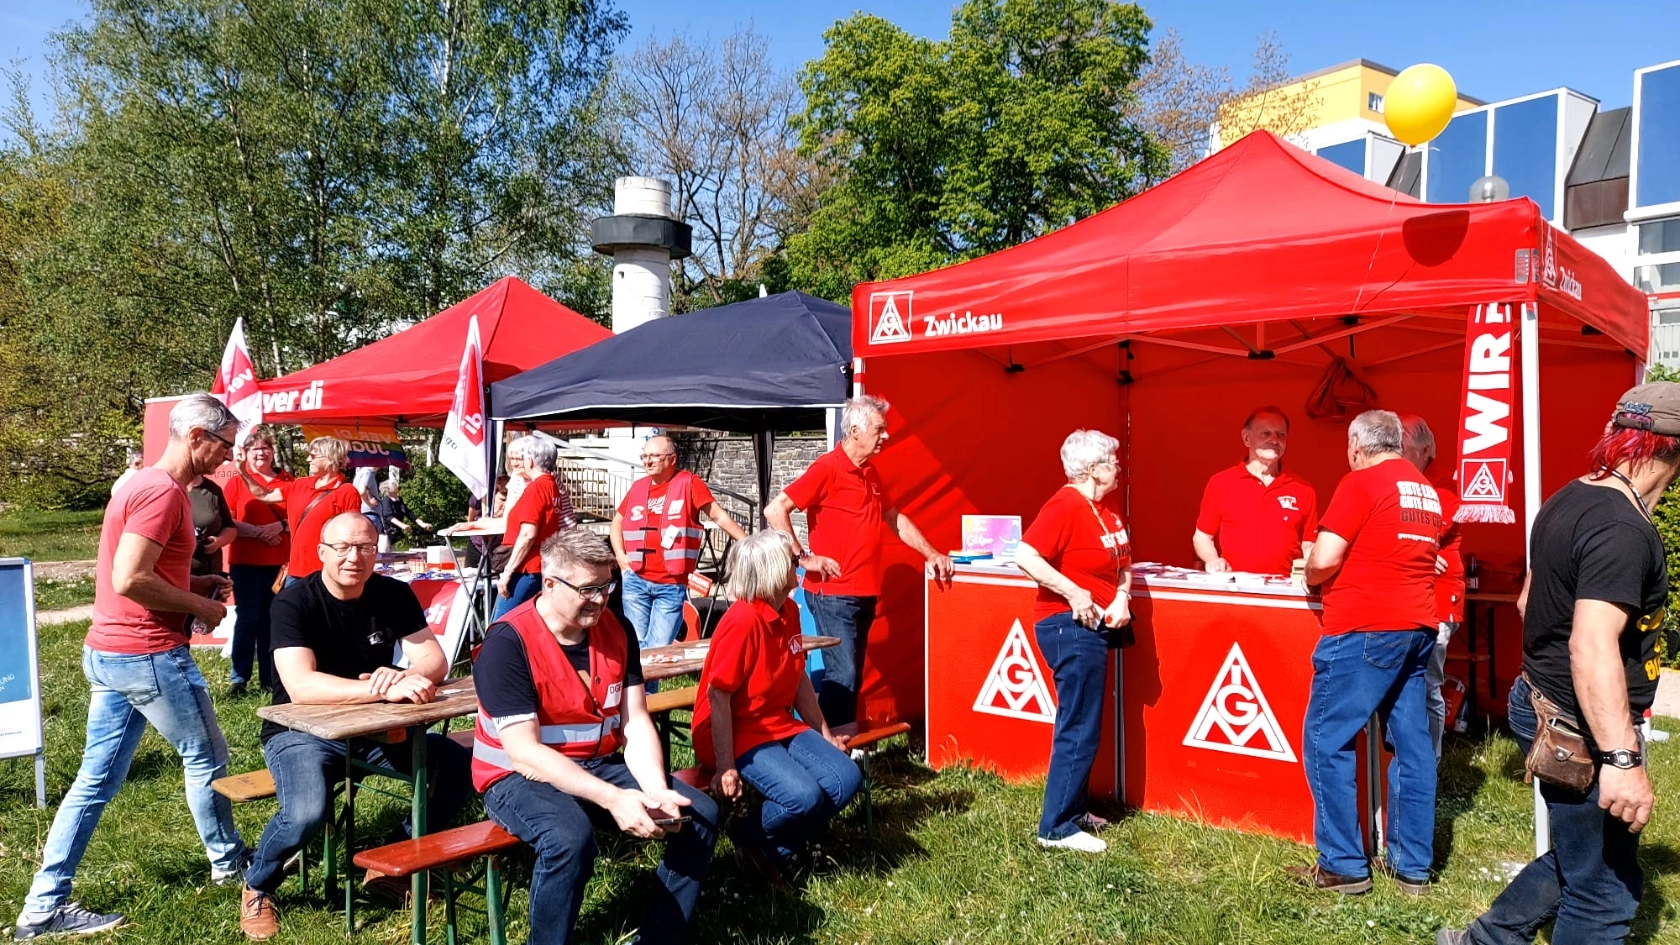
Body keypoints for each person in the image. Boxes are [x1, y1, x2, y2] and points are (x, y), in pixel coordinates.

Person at [1441, 384, 1679, 945]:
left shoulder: (1570, 497)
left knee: (1584, 855)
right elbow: (1591, 646)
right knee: (1604, 890)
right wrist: (1621, 757)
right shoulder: (1623, 528)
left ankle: (1486, 940)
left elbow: (1530, 603)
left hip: (1547, 704)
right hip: (1580, 724)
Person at [14, 394, 248, 940]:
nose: (227, 458)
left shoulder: (144, 485)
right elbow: (129, 579)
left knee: (94, 781)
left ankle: (42, 908)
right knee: (208, 757)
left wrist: (193, 583)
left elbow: (143, 571)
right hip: (146, 654)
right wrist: (204, 607)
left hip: (114, 652)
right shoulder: (162, 494)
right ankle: (228, 864)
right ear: (195, 436)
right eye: (224, 445)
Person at [471, 529, 719, 945]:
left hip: (596, 763)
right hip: (515, 776)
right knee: (569, 839)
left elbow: (635, 721)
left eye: (607, 586)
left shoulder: (617, 628)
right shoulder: (507, 643)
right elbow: (526, 754)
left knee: (698, 813)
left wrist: (656, 790)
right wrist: (614, 798)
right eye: (588, 589)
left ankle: (661, 936)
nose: (601, 599)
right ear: (549, 583)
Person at [237, 513, 472, 940]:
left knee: (462, 768)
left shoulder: (394, 593)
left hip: (375, 729)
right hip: (301, 731)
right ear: (322, 552)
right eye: (343, 548)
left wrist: (400, 677)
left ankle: (388, 862)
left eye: (364, 547)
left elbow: (434, 661)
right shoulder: (293, 601)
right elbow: (300, 685)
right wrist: (384, 690)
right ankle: (258, 883)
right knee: (307, 812)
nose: (354, 557)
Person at [1295, 409, 1440, 896]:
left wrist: (1309, 574)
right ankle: (1411, 868)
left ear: (1356, 446)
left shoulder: (1361, 483)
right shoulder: (1423, 490)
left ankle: (1343, 865)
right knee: (1413, 748)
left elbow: (1326, 558)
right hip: (1417, 624)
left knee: (1326, 739)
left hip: (1364, 627)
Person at [765, 395, 954, 726]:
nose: (886, 436)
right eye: (880, 429)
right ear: (855, 430)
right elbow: (775, 509)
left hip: (863, 592)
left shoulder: (870, 473)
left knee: (846, 673)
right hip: (833, 592)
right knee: (844, 674)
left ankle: (831, 743)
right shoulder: (827, 468)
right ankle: (836, 755)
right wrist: (803, 557)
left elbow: (895, 519)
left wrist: (931, 552)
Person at [693, 530, 860, 879]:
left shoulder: (789, 610)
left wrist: (826, 735)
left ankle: (764, 849)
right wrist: (725, 767)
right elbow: (717, 695)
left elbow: (798, 676)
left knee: (845, 779)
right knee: (803, 796)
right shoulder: (742, 621)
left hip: (775, 723)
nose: (798, 566)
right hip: (736, 730)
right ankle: (747, 837)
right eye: (792, 561)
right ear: (772, 570)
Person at [1014, 429, 1132, 854]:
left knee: (1086, 721)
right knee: (1078, 724)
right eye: (1113, 461)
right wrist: (1074, 591)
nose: (1118, 467)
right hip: (1068, 625)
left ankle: (1074, 808)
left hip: (1098, 623)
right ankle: (1056, 826)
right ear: (1094, 469)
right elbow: (1025, 555)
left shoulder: (1106, 506)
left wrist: (1121, 595)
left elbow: (1124, 560)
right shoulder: (1064, 505)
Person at [610, 435, 746, 654]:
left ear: (672, 459)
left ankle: (650, 687)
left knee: (659, 650)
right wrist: (619, 555)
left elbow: (718, 517)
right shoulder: (638, 487)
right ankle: (643, 689)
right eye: (644, 456)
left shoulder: (689, 483)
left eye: (654, 456)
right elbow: (617, 521)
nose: (647, 461)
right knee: (635, 648)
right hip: (635, 579)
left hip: (671, 584)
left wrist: (748, 543)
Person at [1399, 415, 1465, 757]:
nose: (1395, 457)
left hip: (1439, 597)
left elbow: (1422, 533)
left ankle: (1431, 761)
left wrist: (1417, 549)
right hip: (1406, 593)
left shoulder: (1446, 486)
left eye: (1403, 450)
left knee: (1427, 684)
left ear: (1426, 451)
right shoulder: (1396, 480)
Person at [1193, 406, 1319, 575]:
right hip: (1235, 589)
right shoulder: (1221, 483)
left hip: (1285, 592)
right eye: (1266, 434)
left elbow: (1308, 545)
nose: (1275, 440)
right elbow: (1202, 536)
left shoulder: (1304, 489)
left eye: (1281, 435)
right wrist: (1213, 561)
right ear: (1246, 438)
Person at [235, 436, 362, 585]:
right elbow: (265, 495)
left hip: (327, 574)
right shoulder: (300, 484)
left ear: (329, 458)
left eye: (313, 456)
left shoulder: (346, 492)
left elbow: (352, 536)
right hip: (294, 572)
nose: (308, 459)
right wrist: (242, 470)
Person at [224, 427, 292, 695]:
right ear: (246, 453)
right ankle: (239, 679)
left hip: (280, 565)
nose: (261, 453)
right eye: (255, 449)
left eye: (266, 448)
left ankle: (269, 678)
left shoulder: (287, 481)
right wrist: (256, 533)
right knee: (248, 619)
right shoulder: (237, 483)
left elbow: (301, 515)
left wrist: (279, 526)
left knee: (272, 621)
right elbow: (225, 520)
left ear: (273, 452)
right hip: (246, 562)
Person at [494, 435, 577, 618]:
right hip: (540, 564)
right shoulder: (551, 485)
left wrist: (508, 572)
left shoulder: (536, 488)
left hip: (525, 568)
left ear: (530, 461)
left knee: (501, 624)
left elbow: (528, 534)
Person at [188, 473, 237, 577]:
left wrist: (218, 541)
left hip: (208, 574)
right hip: (172, 576)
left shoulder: (212, 490)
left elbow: (230, 527)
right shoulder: (164, 486)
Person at [375, 479, 432, 553]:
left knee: (392, 555)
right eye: (393, 484)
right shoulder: (386, 500)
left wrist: (422, 523)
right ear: (387, 489)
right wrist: (403, 526)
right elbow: (389, 517)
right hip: (385, 532)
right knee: (384, 554)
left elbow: (408, 513)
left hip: (394, 533)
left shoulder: (399, 500)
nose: (397, 485)